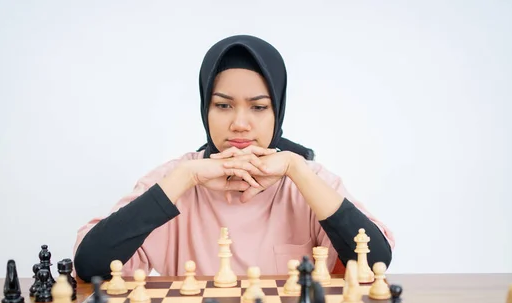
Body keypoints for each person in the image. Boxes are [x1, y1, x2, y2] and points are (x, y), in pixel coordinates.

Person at [73, 34, 395, 282]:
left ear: (277, 112)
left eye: (258, 107)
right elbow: (90, 264)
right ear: (205, 109)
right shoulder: (176, 178)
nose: (240, 123)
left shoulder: (308, 179)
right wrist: (186, 178)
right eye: (223, 105)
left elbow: (375, 261)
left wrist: (296, 167)